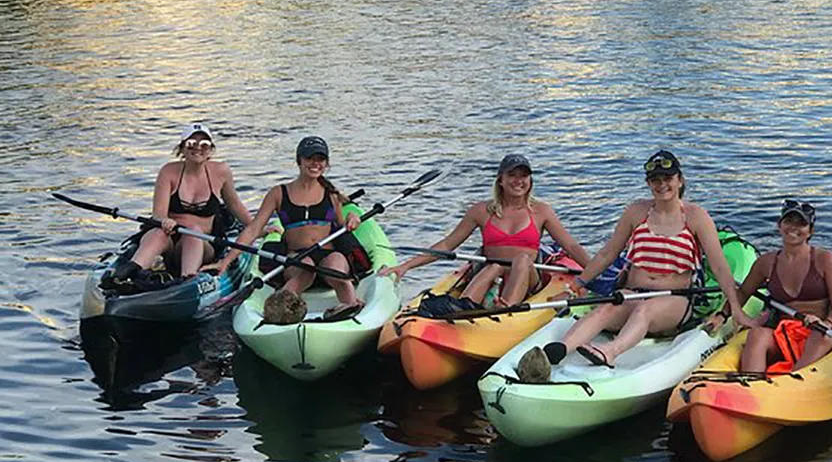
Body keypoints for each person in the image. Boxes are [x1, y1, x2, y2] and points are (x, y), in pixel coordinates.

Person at [549, 150, 752, 368]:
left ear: (680, 180)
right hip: (633, 292)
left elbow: (719, 266)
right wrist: (577, 285)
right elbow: (607, 253)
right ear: (648, 183)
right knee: (607, 307)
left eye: (668, 178)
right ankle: (556, 352)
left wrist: (733, 308)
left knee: (644, 311)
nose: (662, 184)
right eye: (655, 180)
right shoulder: (636, 212)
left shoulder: (696, 217)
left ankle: (609, 352)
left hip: (674, 300)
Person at [378, 154, 590, 308]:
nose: (519, 181)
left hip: (527, 275)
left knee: (522, 259)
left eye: (524, 176)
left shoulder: (542, 211)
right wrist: (405, 266)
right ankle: (463, 305)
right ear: (501, 180)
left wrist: (598, 271)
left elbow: (570, 245)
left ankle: (507, 307)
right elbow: (447, 245)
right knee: (493, 266)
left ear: (530, 180)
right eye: (512, 175)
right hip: (490, 273)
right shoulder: (480, 211)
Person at [204, 136, 366, 320]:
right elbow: (253, 229)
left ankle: (350, 306)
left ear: (326, 163)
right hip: (297, 256)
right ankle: (279, 309)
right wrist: (226, 261)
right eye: (309, 158)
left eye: (320, 159)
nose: (315, 163)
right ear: (299, 160)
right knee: (305, 269)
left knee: (337, 266)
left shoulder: (332, 194)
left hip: (327, 253)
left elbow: (342, 226)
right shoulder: (279, 193)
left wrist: (352, 217)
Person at [706, 200, 832, 373]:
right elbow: (743, 293)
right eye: (789, 221)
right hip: (785, 333)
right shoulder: (766, 262)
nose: (793, 228)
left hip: (818, 333)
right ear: (779, 225)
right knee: (756, 335)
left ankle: (794, 378)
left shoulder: (824, 259)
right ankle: (751, 381)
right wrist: (722, 315)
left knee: (822, 336)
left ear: (810, 231)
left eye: (801, 224)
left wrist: (827, 323)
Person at [106, 123, 253, 285]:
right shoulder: (168, 171)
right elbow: (159, 212)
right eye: (191, 143)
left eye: (204, 144)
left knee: (193, 231)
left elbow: (235, 205)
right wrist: (164, 220)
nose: (198, 148)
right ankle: (128, 272)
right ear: (182, 148)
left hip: (201, 244)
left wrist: (257, 227)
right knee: (159, 232)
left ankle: (186, 281)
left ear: (211, 149)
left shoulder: (221, 171)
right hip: (168, 242)